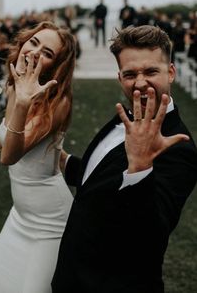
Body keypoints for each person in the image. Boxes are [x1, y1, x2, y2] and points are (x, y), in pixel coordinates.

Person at [52, 25, 197, 293]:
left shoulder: (180, 147)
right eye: (130, 74)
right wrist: (60, 159)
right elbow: (100, 179)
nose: (140, 82)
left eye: (151, 71)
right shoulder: (127, 115)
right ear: (120, 78)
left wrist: (141, 165)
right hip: (73, 274)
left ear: (171, 72)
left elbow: (151, 234)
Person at [0, 21, 76, 293]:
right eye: (33, 42)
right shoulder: (15, 87)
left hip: (49, 221)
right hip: (20, 215)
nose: (35, 52)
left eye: (47, 53)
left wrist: (24, 103)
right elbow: (9, 142)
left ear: (56, 65)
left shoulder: (58, 101)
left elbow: (11, 156)